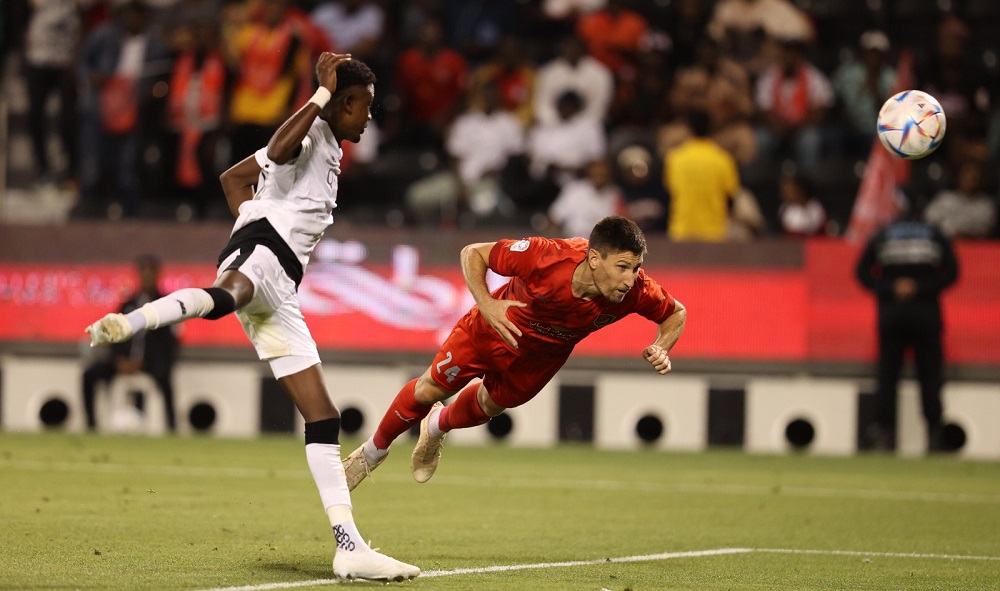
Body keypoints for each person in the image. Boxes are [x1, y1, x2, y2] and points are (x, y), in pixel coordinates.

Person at [83, 53, 419, 582]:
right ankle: (132, 321)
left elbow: (232, 178)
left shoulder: (326, 144)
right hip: (263, 253)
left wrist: (253, 210)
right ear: (344, 102)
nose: (369, 118)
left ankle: (349, 546)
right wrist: (318, 98)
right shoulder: (310, 133)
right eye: (365, 108)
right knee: (226, 297)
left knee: (324, 417)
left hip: (282, 285)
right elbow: (283, 149)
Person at [343, 215, 686, 490]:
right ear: (594, 258)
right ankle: (370, 455)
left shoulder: (637, 291)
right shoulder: (545, 256)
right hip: (490, 331)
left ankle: (436, 426)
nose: (630, 278)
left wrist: (661, 345)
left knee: (491, 406)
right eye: (623, 266)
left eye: (636, 267)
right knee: (430, 389)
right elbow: (473, 253)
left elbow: (675, 313)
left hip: (540, 360)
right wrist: (488, 303)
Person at [855, 203, 960, 453]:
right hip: (926, 314)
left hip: (892, 315)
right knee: (930, 377)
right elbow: (952, 273)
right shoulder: (934, 233)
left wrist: (891, 288)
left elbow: (862, 273)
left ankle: (885, 435)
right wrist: (921, 288)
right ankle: (935, 436)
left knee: (887, 377)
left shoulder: (884, 233)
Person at [82, 255, 178, 432]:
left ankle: (171, 426)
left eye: (151, 272)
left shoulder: (166, 305)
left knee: (165, 379)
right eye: (144, 272)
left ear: (157, 275)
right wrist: (119, 359)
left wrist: (144, 361)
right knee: (89, 374)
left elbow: (169, 343)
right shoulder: (128, 304)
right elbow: (115, 335)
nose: (147, 276)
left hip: (150, 364)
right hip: (123, 362)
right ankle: (91, 424)